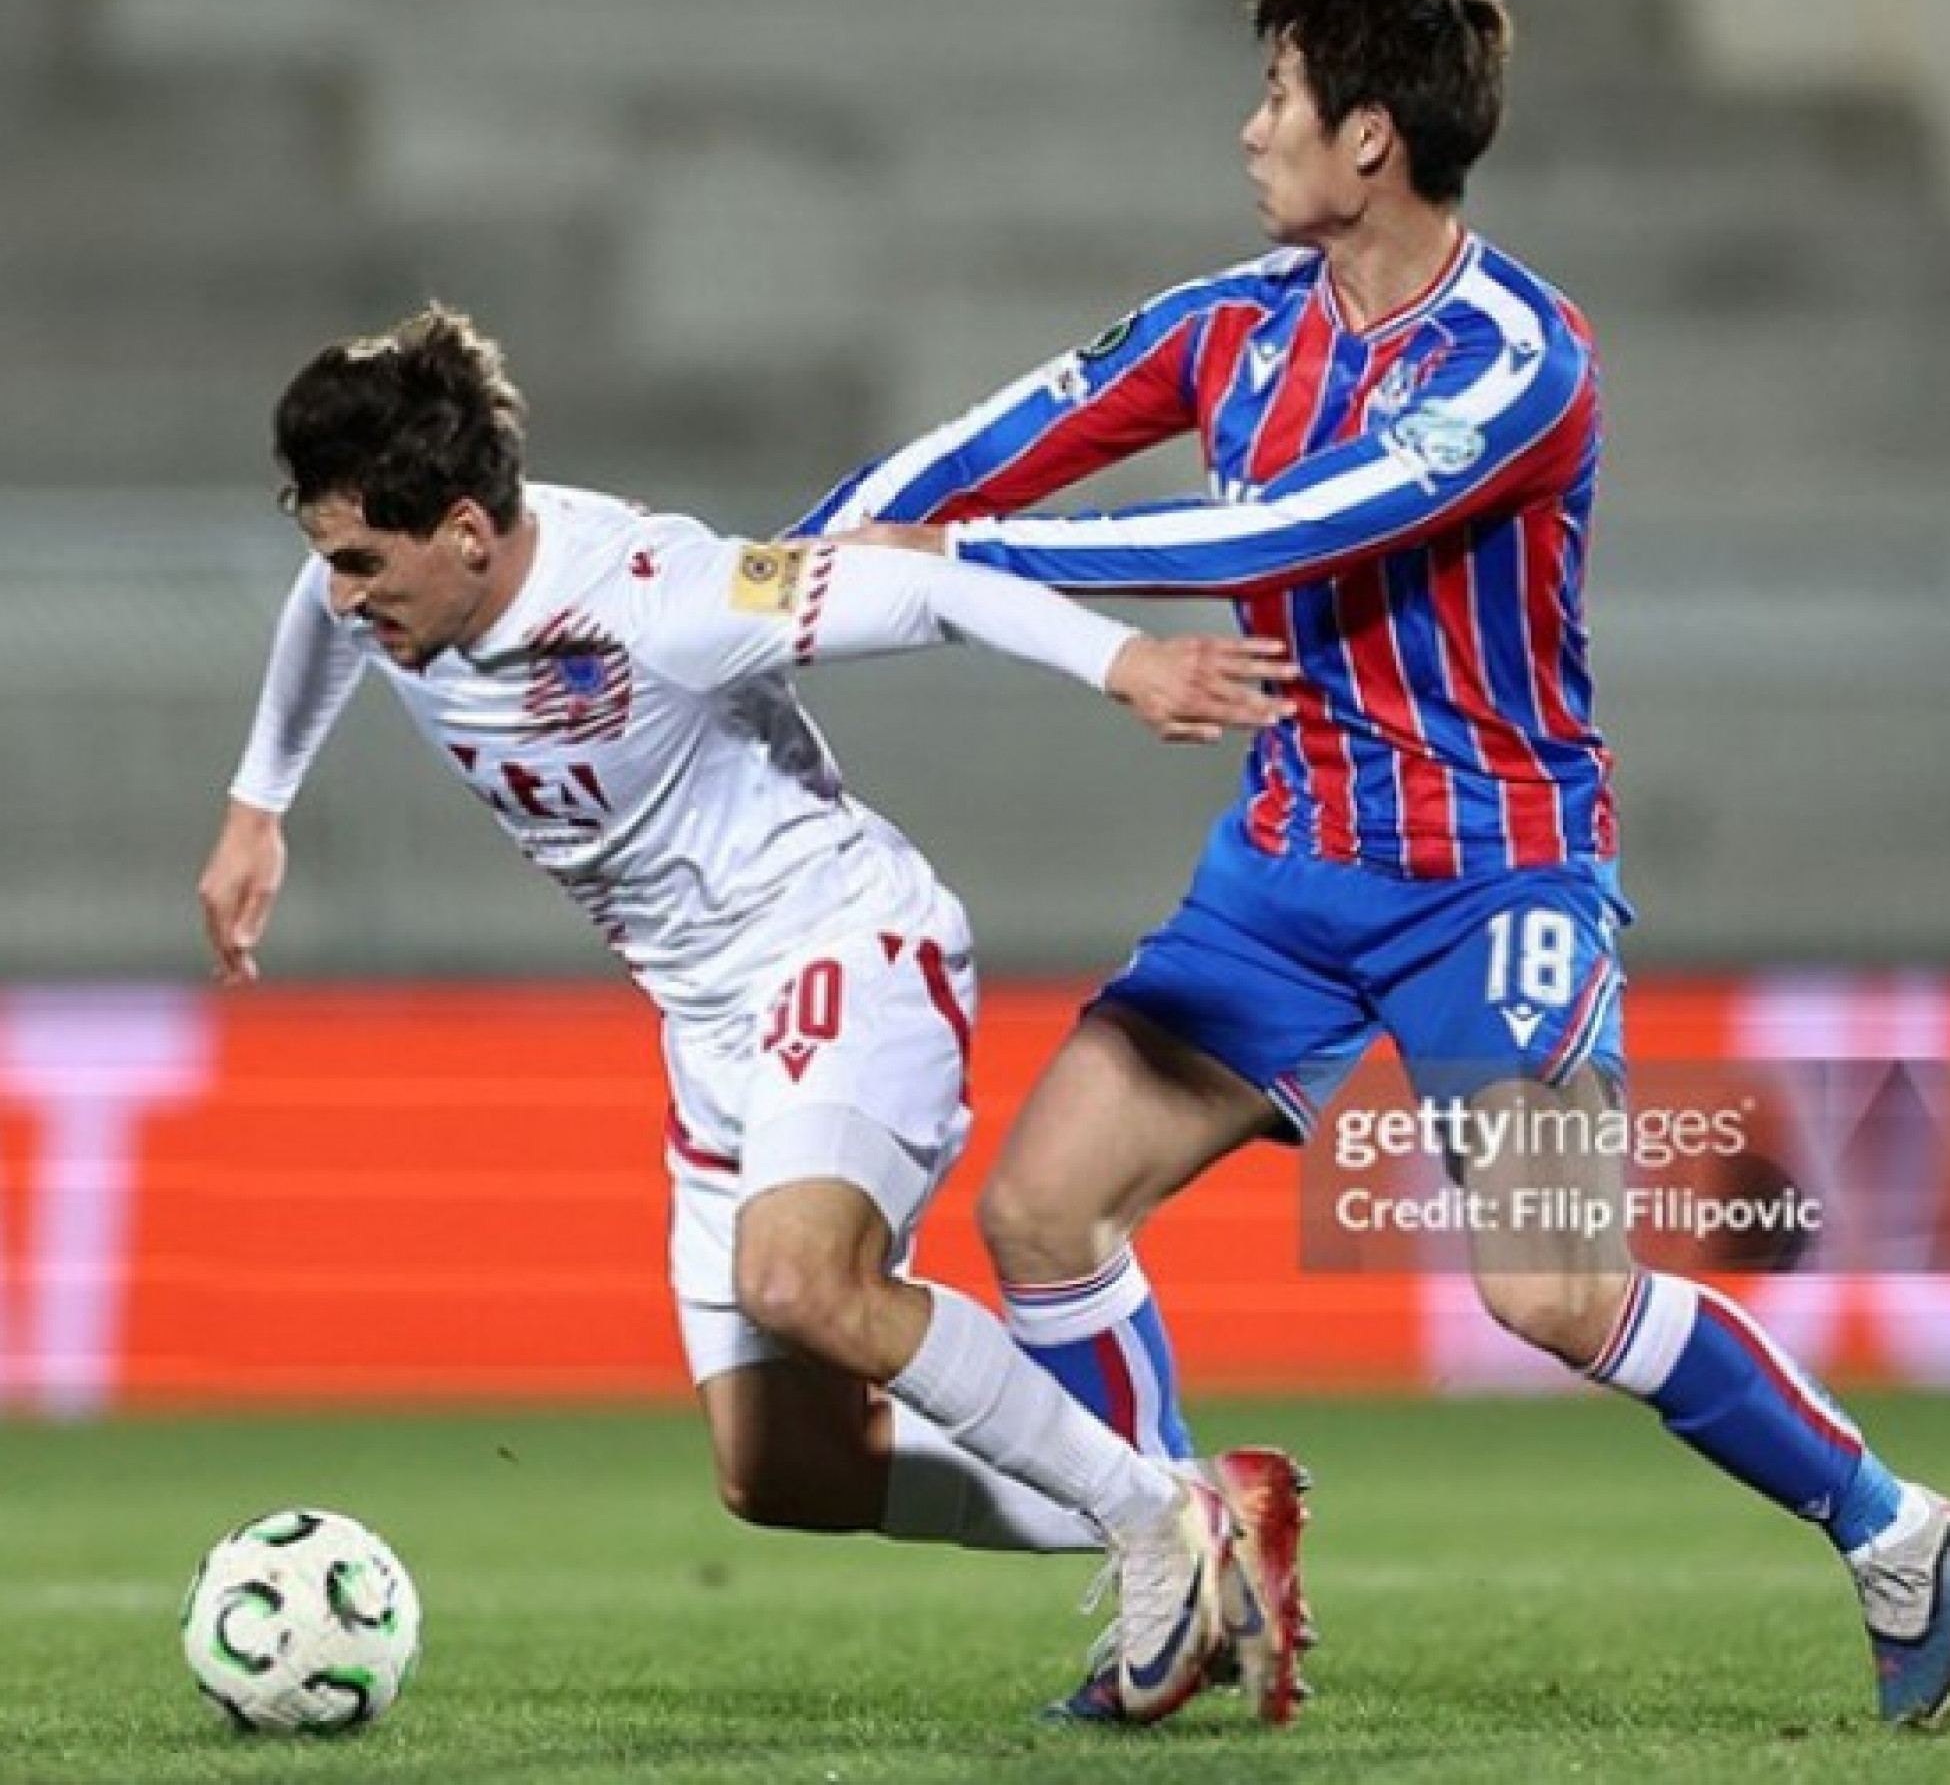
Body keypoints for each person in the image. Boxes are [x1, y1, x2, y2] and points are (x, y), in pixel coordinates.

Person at [799, 0, 1950, 1729]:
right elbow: (979, 447)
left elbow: (1288, 532)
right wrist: (783, 576)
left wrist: (969, 559)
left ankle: (1890, 1524)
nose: (1249, 130)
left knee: (1552, 1290)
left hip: (1494, 879)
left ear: (1370, 138)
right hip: (1285, 877)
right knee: (1041, 1210)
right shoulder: (1228, 326)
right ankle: (1181, 1571)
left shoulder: (1521, 359)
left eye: (1276, 96)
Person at [194, 304, 1316, 1726]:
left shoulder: (656, 597)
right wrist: (259, 806)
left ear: (467, 533)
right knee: (782, 1473)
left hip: (842, 953)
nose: (346, 598)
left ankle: (1159, 1522)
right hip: (711, 1028)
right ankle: (1208, 1511)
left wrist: (1125, 662)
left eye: (364, 564)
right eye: (332, 559)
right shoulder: (389, 589)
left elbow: (919, 587)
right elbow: (319, 620)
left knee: (802, 1281)